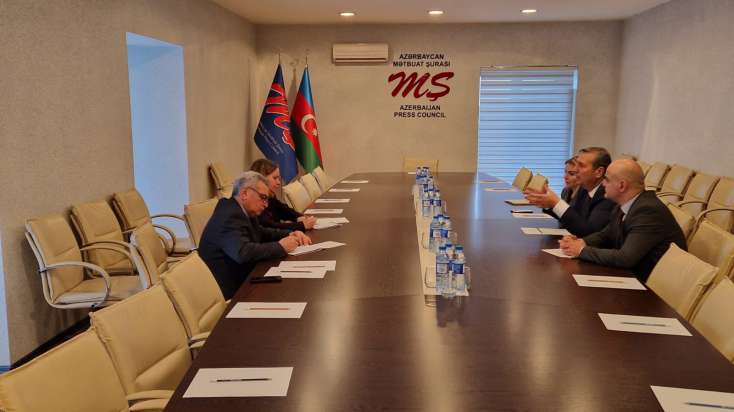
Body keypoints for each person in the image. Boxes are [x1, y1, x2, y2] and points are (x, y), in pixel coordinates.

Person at [559, 159, 687, 282]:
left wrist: (581, 250)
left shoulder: (648, 211)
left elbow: (625, 258)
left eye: (606, 179)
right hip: (632, 275)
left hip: (651, 284)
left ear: (621, 185)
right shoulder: (625, 203)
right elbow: (606, 234)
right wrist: (581, 242)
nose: (603, 184)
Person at [198, 171, 312, 299]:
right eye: (263, 197)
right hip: (234, 291)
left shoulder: (241, 209)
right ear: (244, 193)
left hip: (246, 276)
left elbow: (261, 232)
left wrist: (290, 234)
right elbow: (243, 252)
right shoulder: (229, 216)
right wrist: (280, 247)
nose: (266, 204)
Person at [524, 147, 615, 237]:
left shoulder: (607, 195)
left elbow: (589, 232)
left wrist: (556, 203)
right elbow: (570, 219)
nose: (576, 169)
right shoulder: (584, 189)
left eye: (581, 165)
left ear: (599, 172)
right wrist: (549, 204)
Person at [250, 158, 317, 231]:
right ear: (262, 179)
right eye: (275, 178)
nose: (278, 182)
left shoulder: (270, 196)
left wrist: (299, 217)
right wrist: (302, 225)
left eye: (278, 178)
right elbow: (271, 226)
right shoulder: (255, 202)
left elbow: (282, 209)